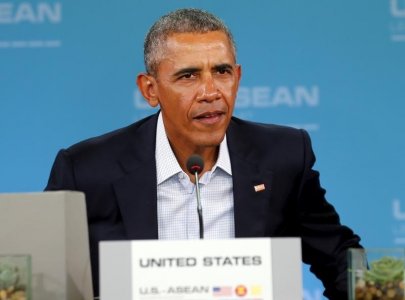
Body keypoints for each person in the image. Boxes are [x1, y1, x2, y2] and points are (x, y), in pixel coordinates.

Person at [45, 8, 362, 299]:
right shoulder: (87, 171)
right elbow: (43, 278)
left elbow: (338, 257)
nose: (211, 92)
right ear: (150, 89)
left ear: (237, 78)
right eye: (188, 76)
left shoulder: (283, 157)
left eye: (222, 72)